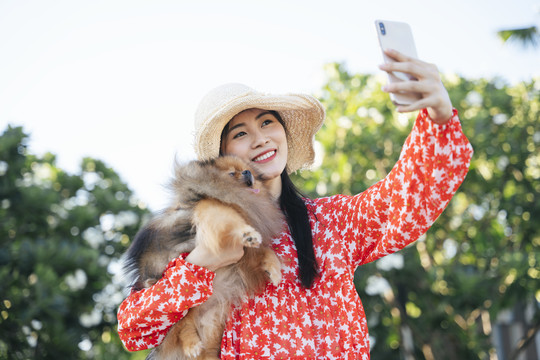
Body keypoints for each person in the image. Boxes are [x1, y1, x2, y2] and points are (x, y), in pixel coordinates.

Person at [117, 49, 473, 359]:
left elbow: (409, 199)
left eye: (267, 122)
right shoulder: (195, 233)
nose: (260, 139)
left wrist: (439, 117)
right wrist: (201, 263)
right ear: (223, 158)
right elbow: (134, 329)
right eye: (240, 133)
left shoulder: (331, 222)